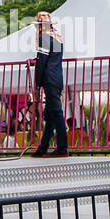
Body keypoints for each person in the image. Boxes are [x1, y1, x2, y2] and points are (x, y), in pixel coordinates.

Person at [31, 10, 68, 158]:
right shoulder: (57, 38)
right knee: (51, 114)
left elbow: (42, 63)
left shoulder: (44, 39)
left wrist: (37, 84)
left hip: (49, 79)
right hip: (57, 78)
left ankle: (62, 147)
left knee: (56, 113)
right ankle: (43, 147)